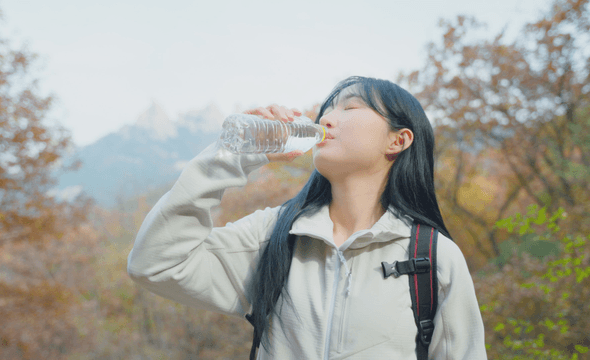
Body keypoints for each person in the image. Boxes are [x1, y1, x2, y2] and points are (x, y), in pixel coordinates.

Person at [127, 76, 488, 359]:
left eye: (350, 108)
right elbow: (156, 263)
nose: (326, 117)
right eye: (327, 109)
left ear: (398, 140)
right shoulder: (272, 236)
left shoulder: (433, 258)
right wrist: (230, 154)